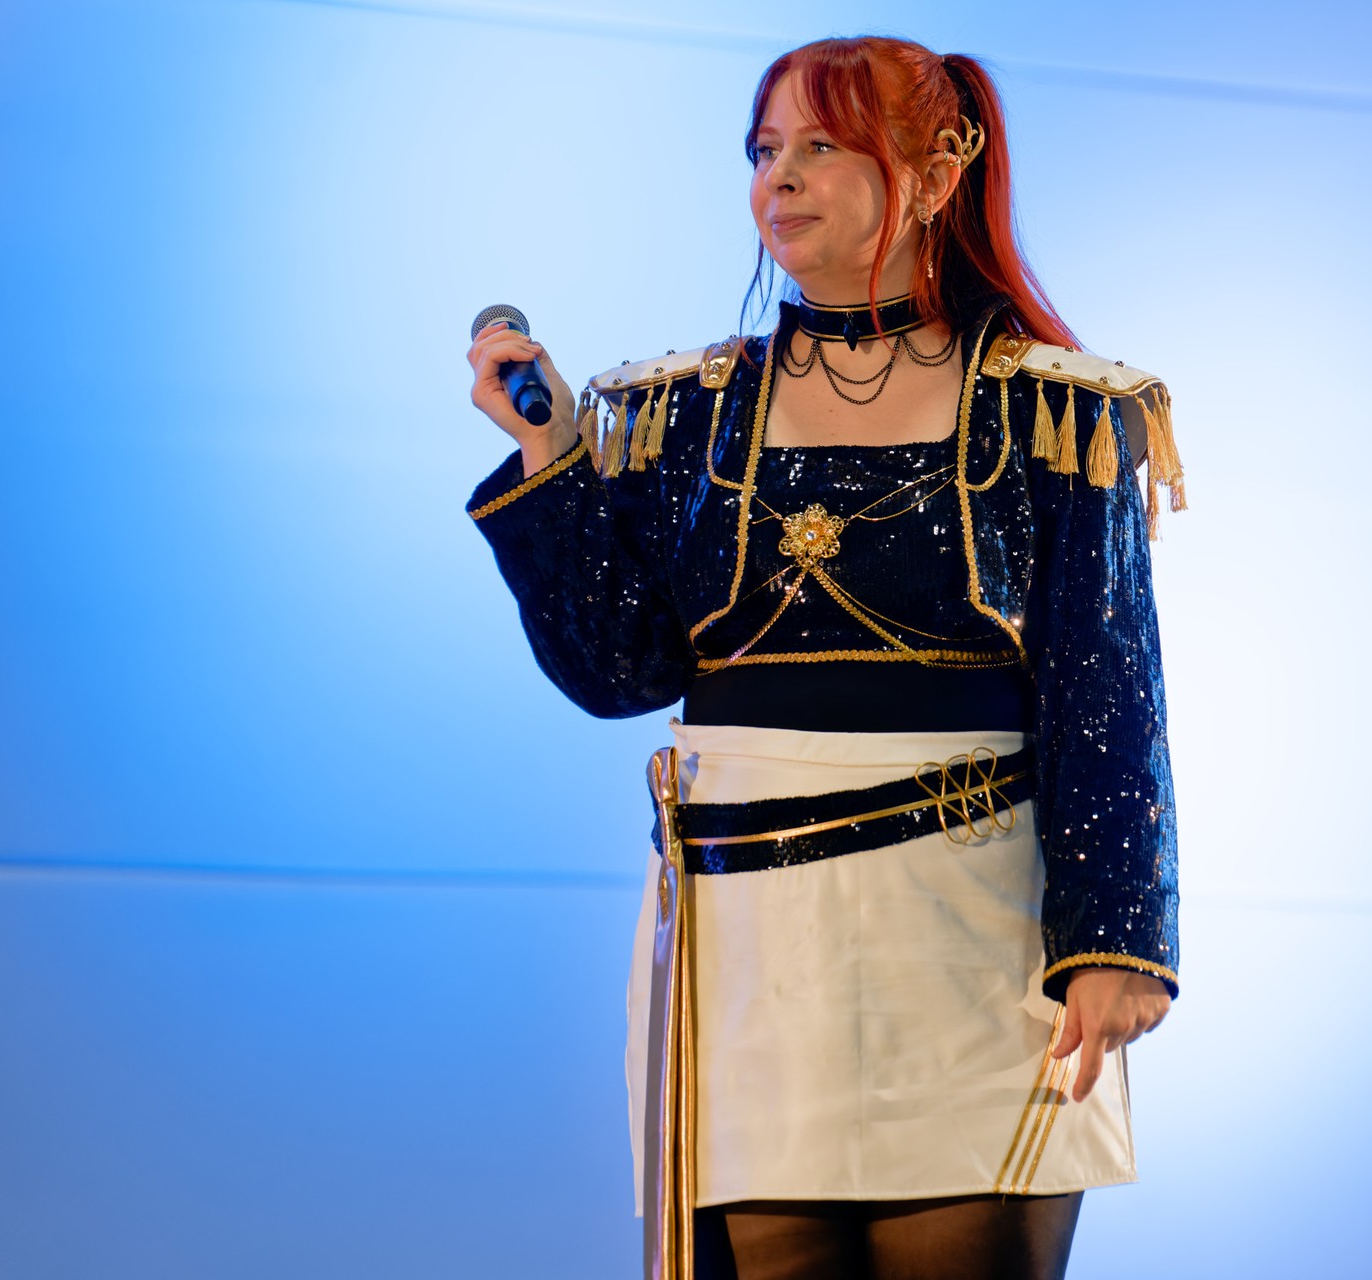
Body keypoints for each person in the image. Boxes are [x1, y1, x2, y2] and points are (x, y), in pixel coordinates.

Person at [462, 35, 1185, 1280]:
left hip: (968, 942)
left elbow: (1106, 688)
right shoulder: (684, 414)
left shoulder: (1058, 412)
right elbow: (617, 668)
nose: (779, 178)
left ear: (938, 173)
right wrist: (552, 459)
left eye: (822, 145)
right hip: (747, 952)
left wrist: (1116, 934)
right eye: (763, 151)